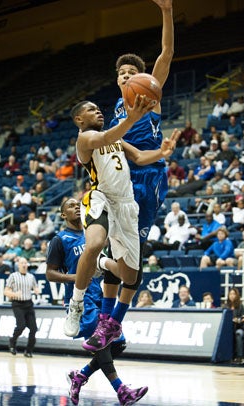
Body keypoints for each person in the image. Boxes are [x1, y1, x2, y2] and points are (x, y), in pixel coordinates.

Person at [64, 98, 178, 350]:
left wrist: (162, 152)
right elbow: (103, 140)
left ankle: (103, 263)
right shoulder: (84, 138)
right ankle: (76, 303)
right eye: (91, 109)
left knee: (130, 275)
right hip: (100, 196)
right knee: (93, 243)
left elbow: (138, 155)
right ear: (79, 120)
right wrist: (133, 118)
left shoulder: (114, 136)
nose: (98, 111)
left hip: (127, 205)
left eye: (98, 107)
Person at [46, 197, 148, 405]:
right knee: (101, 346)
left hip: (99, 295)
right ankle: (121, 390)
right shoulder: (60, 239)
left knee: (117, 344)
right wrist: (78, 277)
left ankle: (80, 376)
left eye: (78, 205)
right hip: (80, 299)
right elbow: (50, 273)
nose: (76, 207)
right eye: (71, 206)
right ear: (63, 215)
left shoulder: (93, 233)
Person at [109, 0, 174, 247]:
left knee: (135, 245)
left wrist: (166, 11)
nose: (126, 74)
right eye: (122, 72)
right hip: (122, 174)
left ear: (143, 79)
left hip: (149, 172)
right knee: (112, 242)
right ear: (117, 80)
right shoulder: (115, 109)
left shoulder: (149, 97)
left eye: (132, 72)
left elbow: (166, 54)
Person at [4, 257, 41, 357]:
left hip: (28, 303)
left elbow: (35, 287)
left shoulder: (31, 277)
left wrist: (37, 290)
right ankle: (12, 342)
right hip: (17, 304)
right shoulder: (13, 276)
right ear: (18, 265)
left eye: (25, 263)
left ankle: (28, 350)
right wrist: (15, 294)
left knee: (33, 328)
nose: (24, 265)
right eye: (22, 263)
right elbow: (6, 291)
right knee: (21, 326)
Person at [223, 288, 244, 364]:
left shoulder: (240, 306)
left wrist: (238, 319)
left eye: (234, 294)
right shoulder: (225, 306)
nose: (232, 296)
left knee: (238, 333)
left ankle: (239, 356)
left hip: (239, 327)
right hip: (228, 328)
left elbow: (243, 317)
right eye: (230, 294)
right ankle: (226, 356)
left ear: (237, 295)